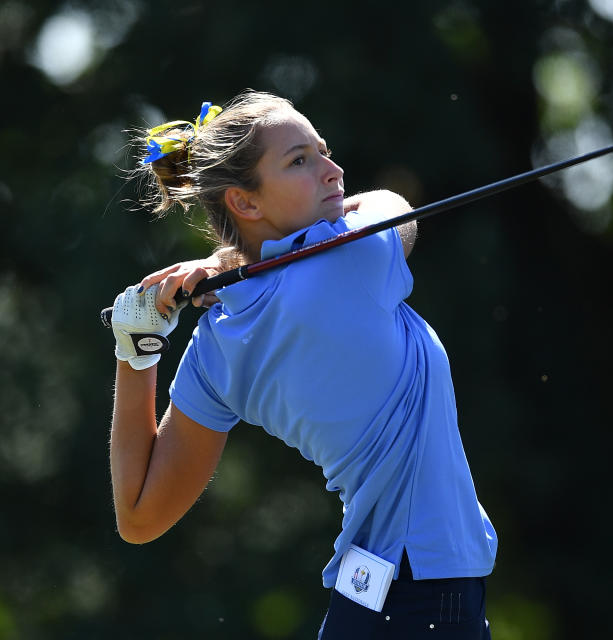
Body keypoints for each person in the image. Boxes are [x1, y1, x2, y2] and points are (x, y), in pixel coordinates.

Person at [108, 90, 497, 638]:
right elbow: (395, 205)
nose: (333, 171)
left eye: (323, 151)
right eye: (300, 161)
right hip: (424, 600)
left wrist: (136, 352)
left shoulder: (217, 342)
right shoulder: (350, 257)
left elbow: (140, 516)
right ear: (245, 203)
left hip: (366, 608)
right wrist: (232, 261)